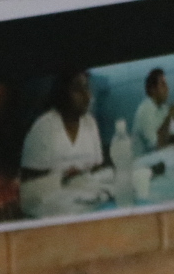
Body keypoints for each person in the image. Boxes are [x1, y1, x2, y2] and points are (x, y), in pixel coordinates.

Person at [19, 69, 108, 218]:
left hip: (88, 200)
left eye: (86, 88)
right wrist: (63, 177)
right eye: (77, 89)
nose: (86, 96)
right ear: (62, 94)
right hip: (53, 210)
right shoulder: (44, 127)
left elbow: (97, 168)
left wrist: (86, 175)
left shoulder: (90, 123)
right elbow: (28, 187)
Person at [132, 67, 174, 155]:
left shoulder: (163, 107)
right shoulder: (145, 109)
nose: (167, 89)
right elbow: (157, 145)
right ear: (153, 89)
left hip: (159, 158)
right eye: (163, 85)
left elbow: (170, 137)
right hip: (144, 163)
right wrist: (169, 117)